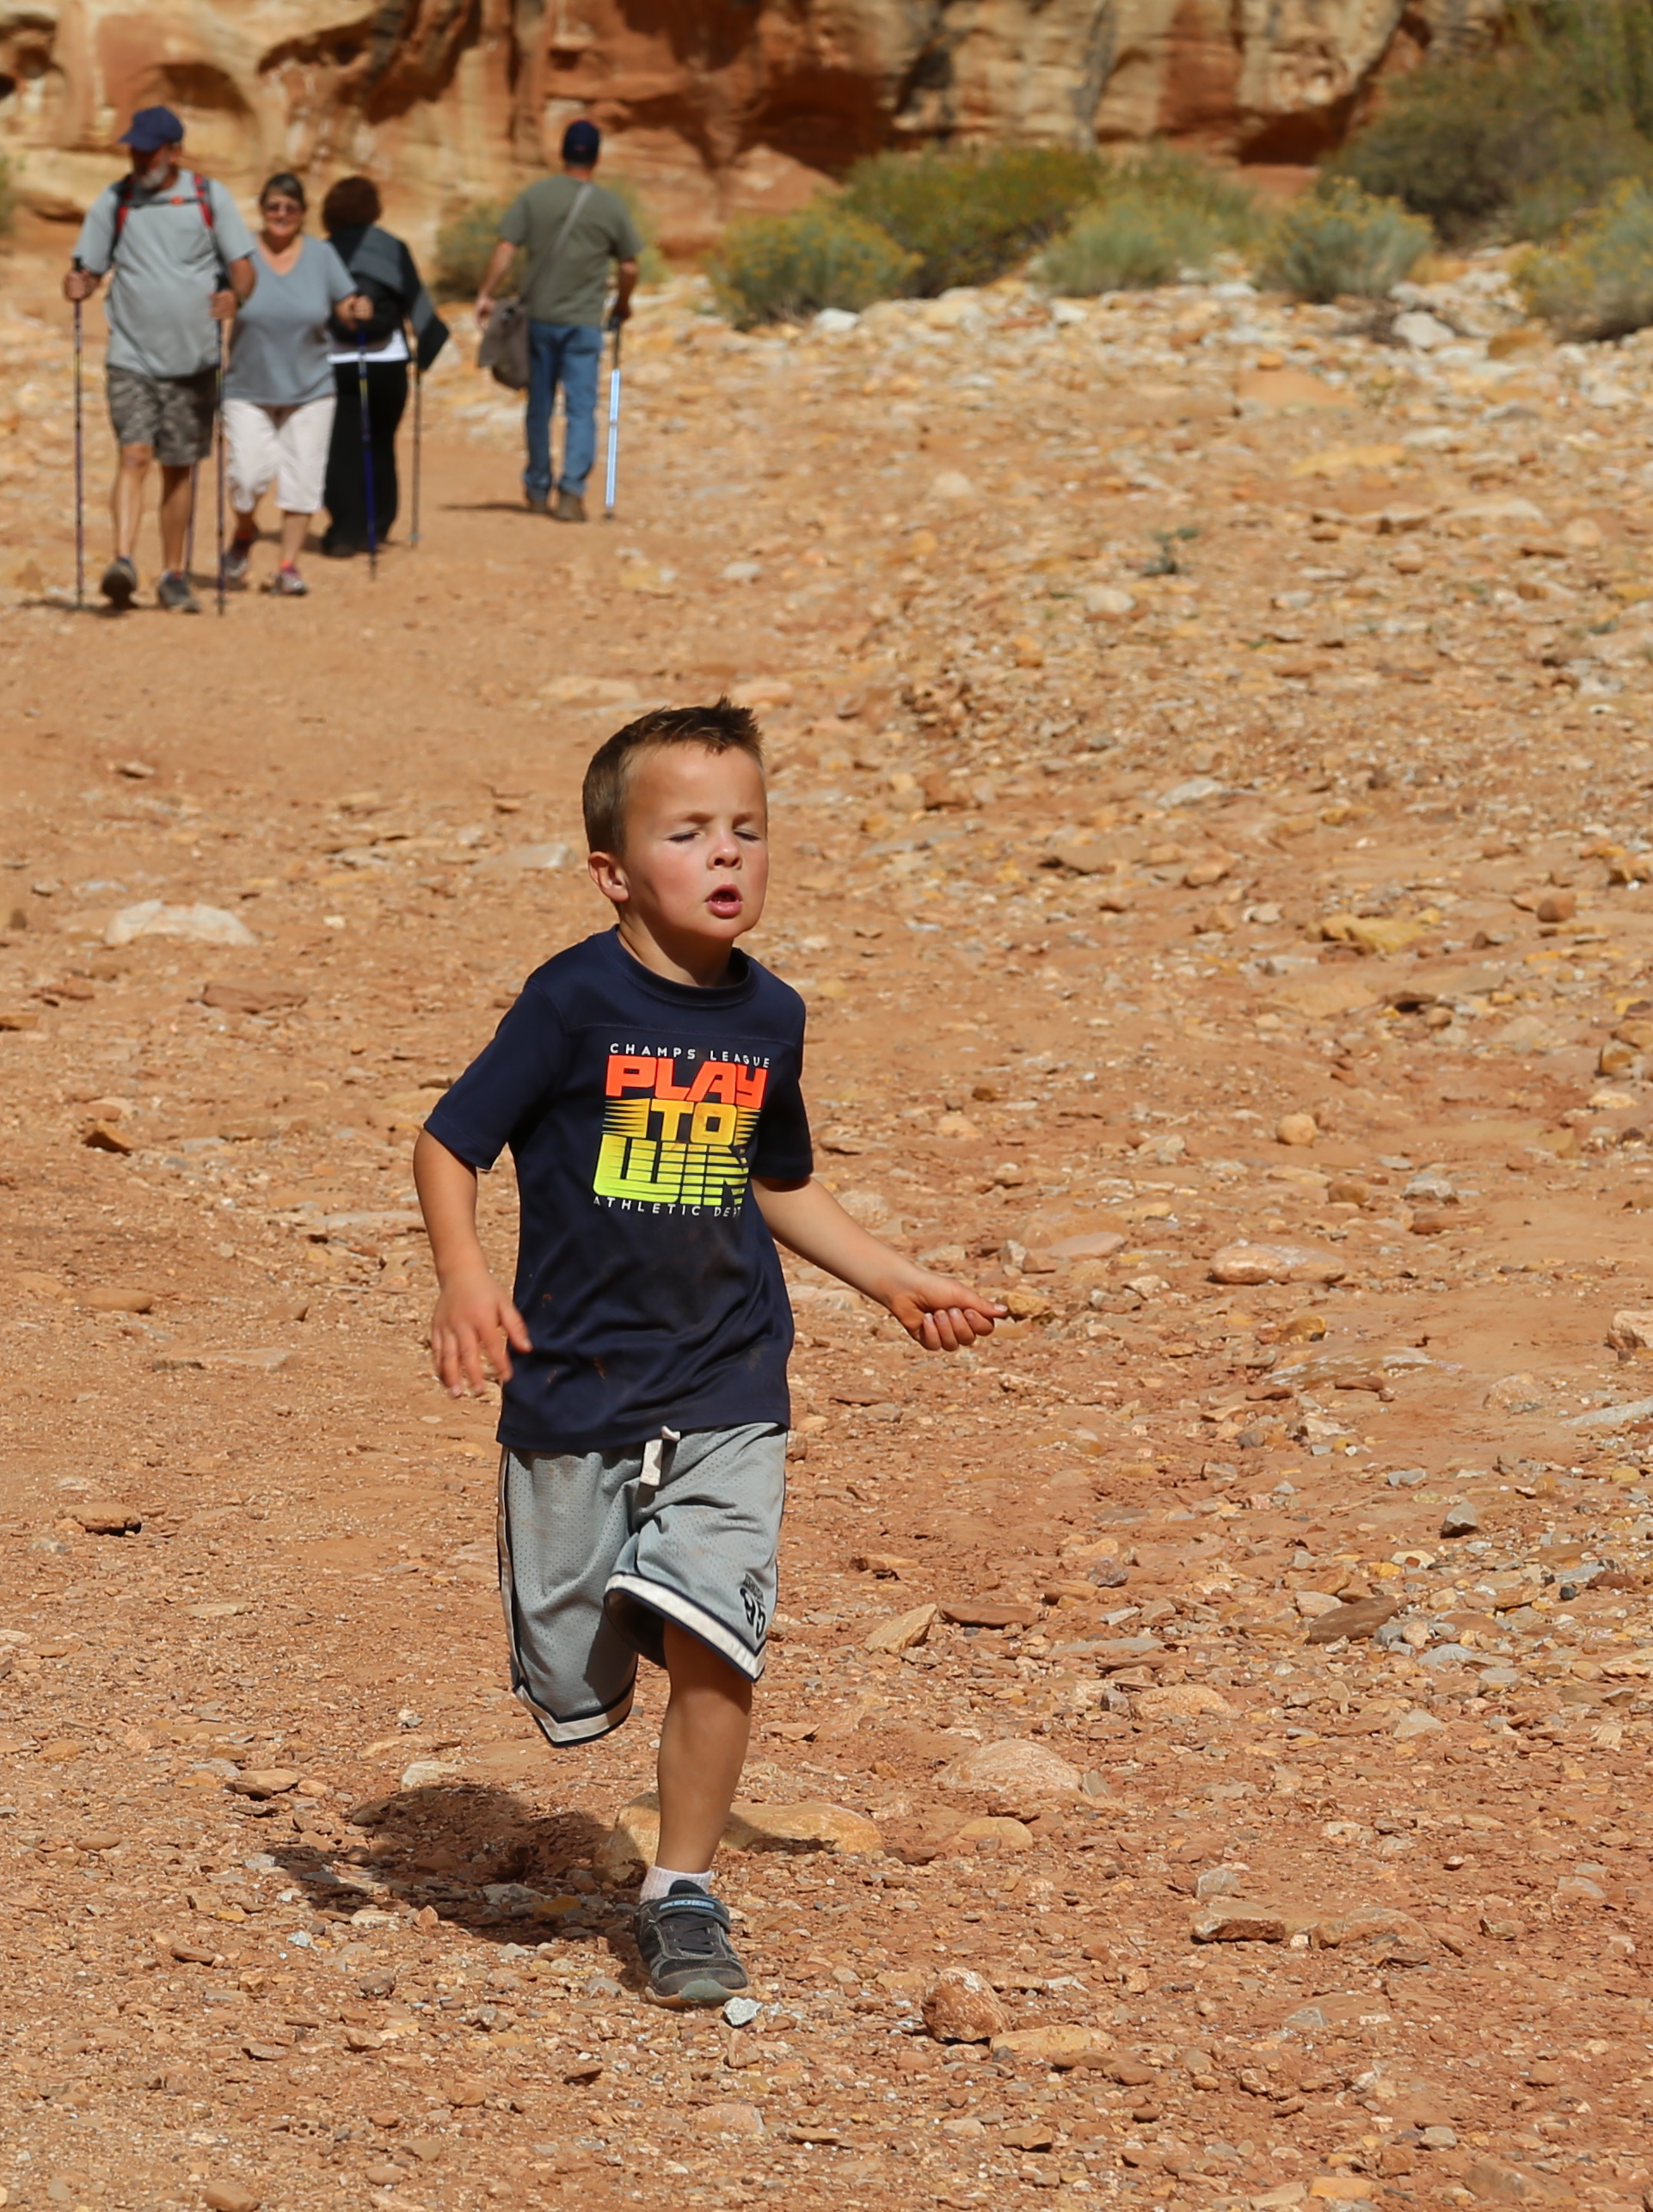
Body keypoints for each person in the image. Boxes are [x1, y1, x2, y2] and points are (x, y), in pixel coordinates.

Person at [411, 704, 992, 2010]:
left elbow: (778, 1181)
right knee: (573, 1679)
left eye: (747, 830)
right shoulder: (572, 1001)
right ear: (615, 870)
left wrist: (894, 1279)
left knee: (721, 1629)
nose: (727, 855)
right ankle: (622, 1605)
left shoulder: (769, 1014)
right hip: (573, 1387)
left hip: (729, 1375)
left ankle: (681, 1891)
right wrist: (464, 1279)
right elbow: (449, 1144)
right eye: (688, 834)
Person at [64, 106, 257, 614]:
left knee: (179, 469)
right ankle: (122, 561)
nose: (138, 156)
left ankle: (173, 573)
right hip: (131, 355)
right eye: (134, 147)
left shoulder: (209, 197)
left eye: (148, 149)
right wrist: (78, 285)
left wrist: (236, 300)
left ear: (174, 151)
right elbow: (88, 268)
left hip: (194, 360)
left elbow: (243, 269)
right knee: (134, 455)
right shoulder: (116, 199)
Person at [471, 120, 640, 524]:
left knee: (540, 404)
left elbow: (506, 248)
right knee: (582, 408)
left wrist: (487, 293)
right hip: (583, 322)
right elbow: (630, 266)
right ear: (596, 157)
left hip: (540, 320)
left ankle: (536, 486)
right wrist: (623, 304)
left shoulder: (535, 197)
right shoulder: (610, 206)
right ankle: (572, 492)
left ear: (562, 152)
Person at [218, 170, 347, 598]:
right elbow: (215, 297)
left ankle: (288, 566)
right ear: (262, 209)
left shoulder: (322, 256)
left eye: (290, 208)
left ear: (303, 214)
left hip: (310, 387)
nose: (281, 214)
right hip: (247, 384)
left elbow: (344, 302)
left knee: (302, 479)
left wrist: (356, 308)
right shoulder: (240, 255)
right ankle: (244, 531)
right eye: (273, 206)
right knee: (248, 475)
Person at [316, 175, 433, 561]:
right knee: (381, 443)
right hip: (388, 363)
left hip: (338, 362)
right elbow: (420, 308)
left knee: (341, 445)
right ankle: (377, 525)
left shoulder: (324, 252)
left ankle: (344, 531)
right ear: (374, 210)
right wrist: (426, 354)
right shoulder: (393, 248)